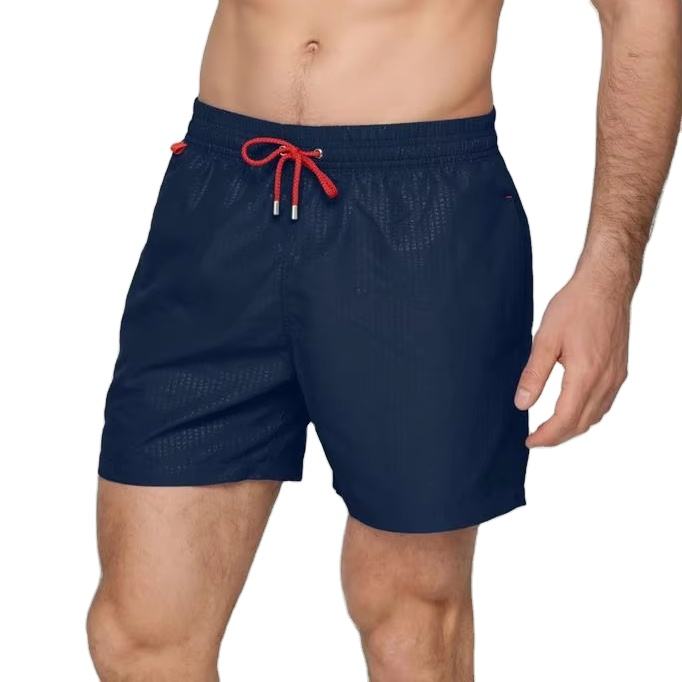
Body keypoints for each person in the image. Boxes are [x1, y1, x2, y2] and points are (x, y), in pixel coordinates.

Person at [86, 0, 682, 679]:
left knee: (408, 614)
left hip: (421, 210)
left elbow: (641, 12)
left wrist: (609, 273)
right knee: (139, 634)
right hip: (220, 193)